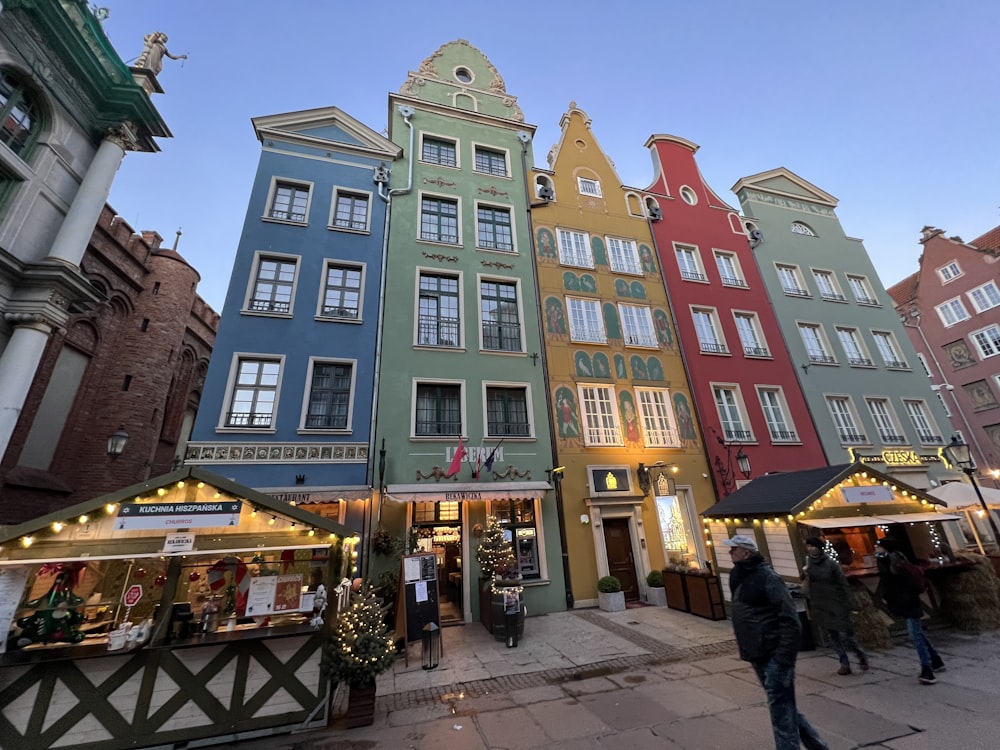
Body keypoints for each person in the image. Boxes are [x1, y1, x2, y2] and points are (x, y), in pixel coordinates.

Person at [724, 534, 829, 750]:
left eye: (733, 549)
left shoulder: (767, 577)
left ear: (746, 552)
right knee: (783, 705)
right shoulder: (737, 575)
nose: (729, 552)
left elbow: (790, 619)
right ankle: (818, 746)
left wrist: (783, 657)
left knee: (780, 709)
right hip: (756, 652)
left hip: (774, 653)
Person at [874, 537, 945, 684]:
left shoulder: (896, 562)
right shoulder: (884, 561)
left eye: (878, 546)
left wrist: (903, 597)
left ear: (885, 548)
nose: (875, 547)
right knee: (917, 634)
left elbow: (907, 584)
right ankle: (936, 660)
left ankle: (927, 670)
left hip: (909, 603)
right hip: (903, 602)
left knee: (915, 636)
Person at [801, 537, 868, 675]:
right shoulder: (808, 563)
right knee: (833, 636)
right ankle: (844, 663)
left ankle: (859, 654)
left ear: (819, 548)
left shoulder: (831, 564)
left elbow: (843, 583)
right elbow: (806, 584)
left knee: (844, 635)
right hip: (820, 603)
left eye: (813, 546)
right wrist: (805, 574)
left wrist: (850, 603)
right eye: (809, 546)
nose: (810, 549)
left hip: (836, 602)